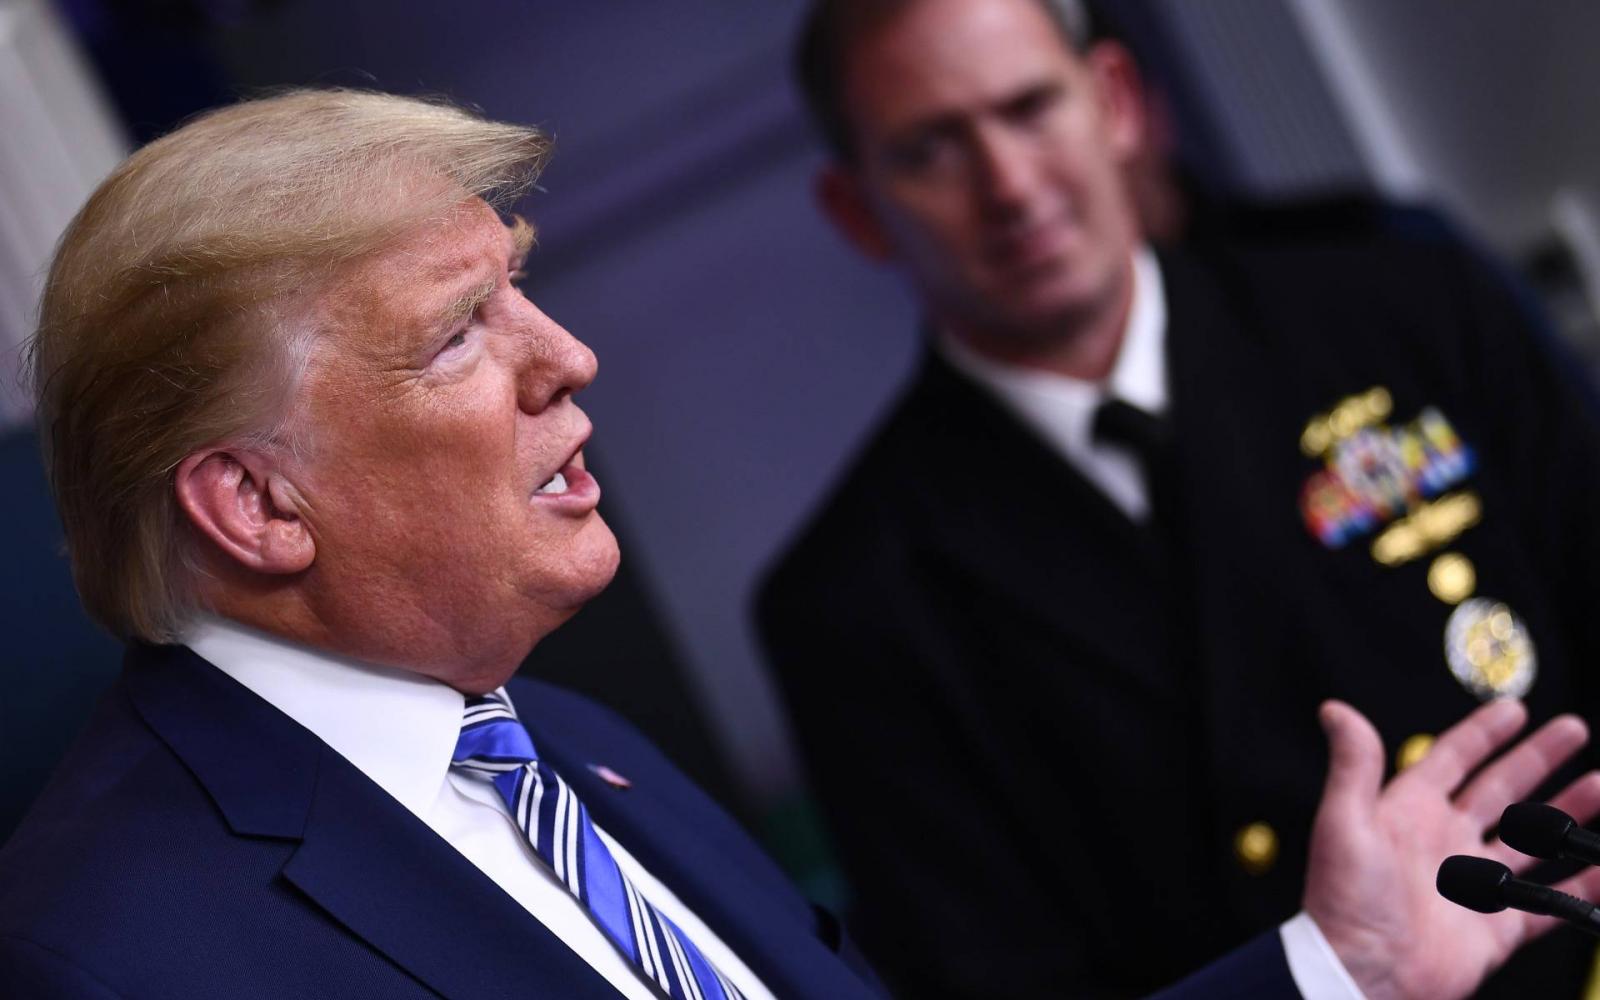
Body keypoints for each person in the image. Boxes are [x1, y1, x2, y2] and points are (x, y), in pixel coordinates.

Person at [0, 87, 1593, 1000]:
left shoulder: (569, 747)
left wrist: (1337, 967)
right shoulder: (110, 955)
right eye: (458, 333)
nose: (569, 358)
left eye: (522, 288)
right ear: (256, 504)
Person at [755, 0, 1600, 996]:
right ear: (855, 209)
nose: (1010, 185)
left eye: (1030, 108)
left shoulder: (1404, 307)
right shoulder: (852, 602)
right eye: (930, 150)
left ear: (1114, 101)